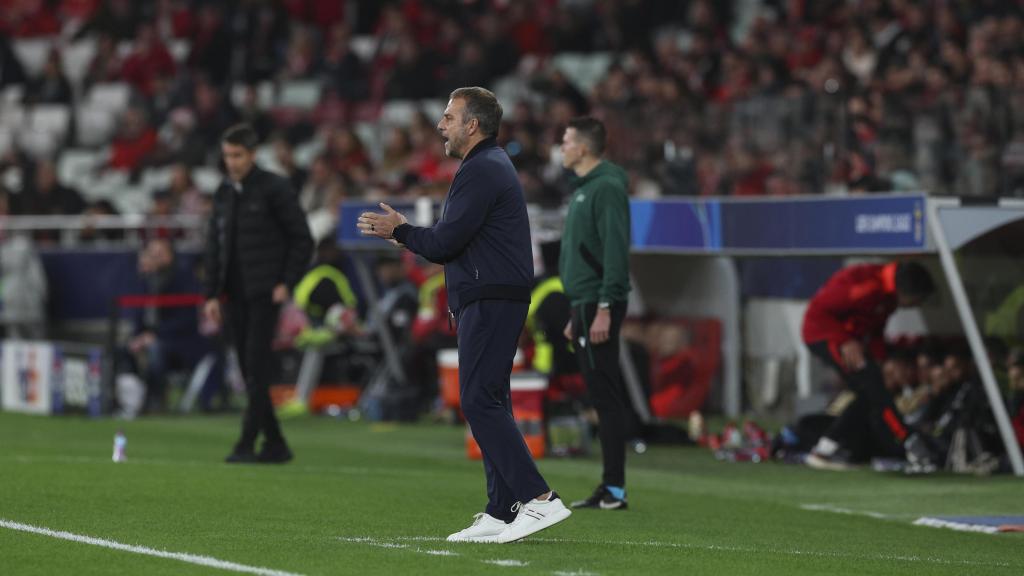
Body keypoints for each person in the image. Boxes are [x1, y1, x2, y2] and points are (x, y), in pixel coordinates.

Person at [357, 87, 570, 544]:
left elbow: (445, 243)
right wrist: (405, 235)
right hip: (490, 295)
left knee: (477, 400)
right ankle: (501, 508)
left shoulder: (483, 170)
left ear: (472, 125)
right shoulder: (485, 167)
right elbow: (451, 240)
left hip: (492, 297)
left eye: (449, 117)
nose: (441, 125)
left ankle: (538, 498)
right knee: (489, 399)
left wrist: (402, 231)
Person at [203, 124, 313, 464]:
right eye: (227, 155)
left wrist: (287, 281)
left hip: (265, 292)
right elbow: (215, 245)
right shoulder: (224, 191)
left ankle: (247, 442)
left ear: (252, 154)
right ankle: (276, 443)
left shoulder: (275, 188)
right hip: (233, 295)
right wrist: (211, 294)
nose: (231, 162)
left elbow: (302, 239)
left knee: (255, 366)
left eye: (237, 155)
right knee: (250, 369)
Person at [558, 117, 633, 510]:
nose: (562, 147)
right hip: (585, 304)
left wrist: (603, 307)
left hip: (597, 304)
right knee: (600, 394)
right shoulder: (586, 189)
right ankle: (610, 486)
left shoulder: (604, 187)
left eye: (567, 141)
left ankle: (615, 488)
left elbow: (614, 253)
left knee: (605, 396)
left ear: (583, 148)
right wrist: (579, 310)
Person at [801, 261, 936, 470]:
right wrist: (844, 340)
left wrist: (880, 359)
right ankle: (907, 441)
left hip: (848, 341)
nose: (917, 305)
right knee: (874, 388)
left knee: (870, 392)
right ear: (906, 291)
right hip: (822, 334)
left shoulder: (888, 297)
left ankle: (825, 450)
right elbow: (820, 311)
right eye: (918, 300)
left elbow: (875, 330)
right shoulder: (868, 286)